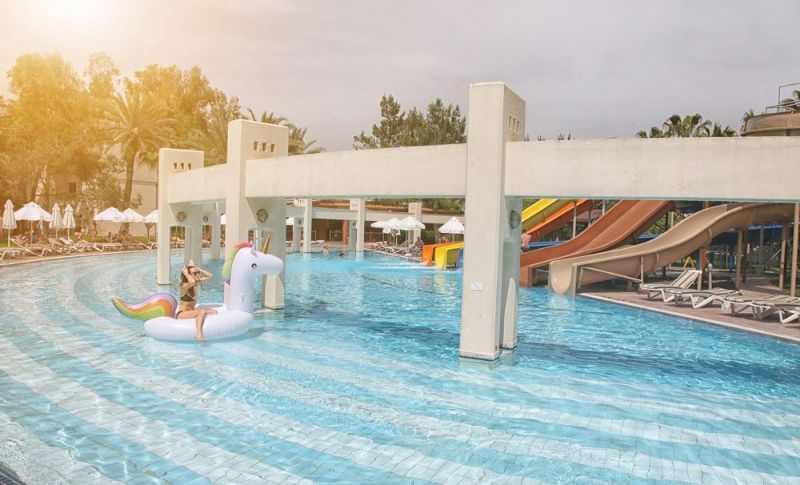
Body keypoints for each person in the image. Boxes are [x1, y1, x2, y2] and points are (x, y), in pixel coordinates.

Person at [177, 260, 217, 341]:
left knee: (213, 311)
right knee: (202, 311)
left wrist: (198, 269)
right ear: (188, 275)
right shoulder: (184, 286)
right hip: (182, 314)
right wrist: (186, 273)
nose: (198, 275)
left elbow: (210, 275)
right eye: (195, 273)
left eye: (198, 273)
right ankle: (198, 333)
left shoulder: (195, 283)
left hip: (192, 312)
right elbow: (191, 282)